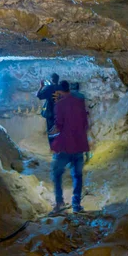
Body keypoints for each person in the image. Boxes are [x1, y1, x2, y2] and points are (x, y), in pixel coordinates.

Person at [49, 80, 90, 215]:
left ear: (59, 91)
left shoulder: (59, 105)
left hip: (65, 146)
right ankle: (76, 204)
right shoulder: (80, 102)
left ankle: (59, 202)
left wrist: (53, 135)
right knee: (77, 175)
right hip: (79, 145)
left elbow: (59, 125)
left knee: (57, 174)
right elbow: (85, 123)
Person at [36, 73, 60, 146]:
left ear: (51, 79)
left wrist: (41, 86)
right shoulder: (61, 87)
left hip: (51, 111)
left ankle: (53, 147)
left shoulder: (49, 88)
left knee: (51, 130)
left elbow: (39, 95)